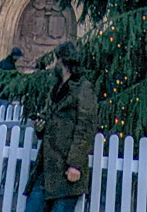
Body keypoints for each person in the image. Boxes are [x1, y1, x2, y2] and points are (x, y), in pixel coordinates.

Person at [23, 41, 98, 212]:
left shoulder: (83, 89)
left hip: (66, 169)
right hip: (47, 167)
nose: (54, 64)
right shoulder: (58, 87)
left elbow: (85, 128)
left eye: (56, 59)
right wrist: (41, 126)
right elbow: (55, 121)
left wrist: (75, 164)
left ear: (63, 61)